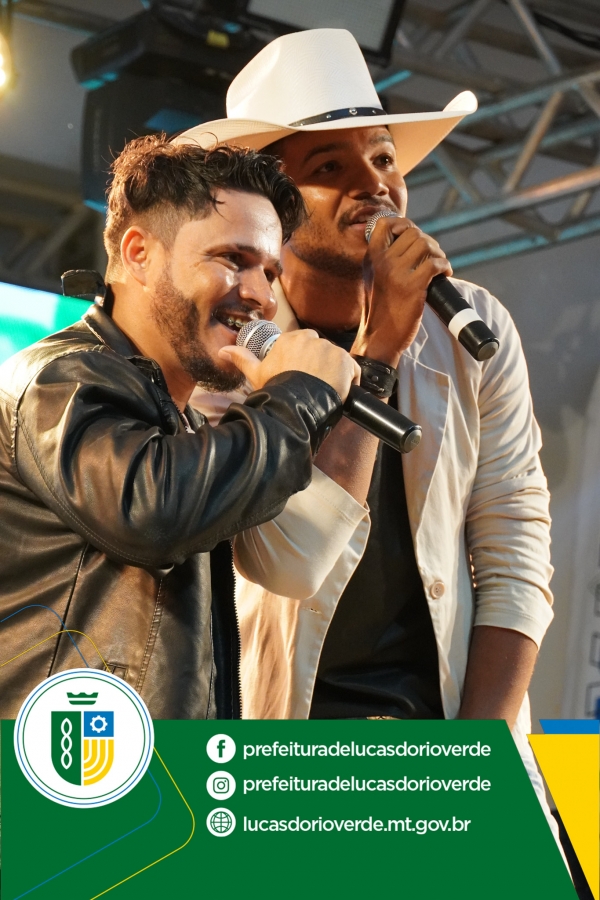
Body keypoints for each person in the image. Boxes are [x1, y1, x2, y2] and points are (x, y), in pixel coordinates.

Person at [182, 28, 558, 830]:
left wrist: (479, 761)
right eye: (330, 168)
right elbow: (289, 556)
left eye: (384, 158)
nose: (375, 184)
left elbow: (516, 548)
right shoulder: (222, 357)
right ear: (272, 207)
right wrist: (377, 349)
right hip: (288, 756)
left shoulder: (472, 327)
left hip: (452, 735)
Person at [0, 135, 360, 720]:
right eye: (233, 259)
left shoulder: (181, 422)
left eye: (270, 271)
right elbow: (153, 509)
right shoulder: (58, 378)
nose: (261, 296)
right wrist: (300, 395)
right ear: (139, 253)